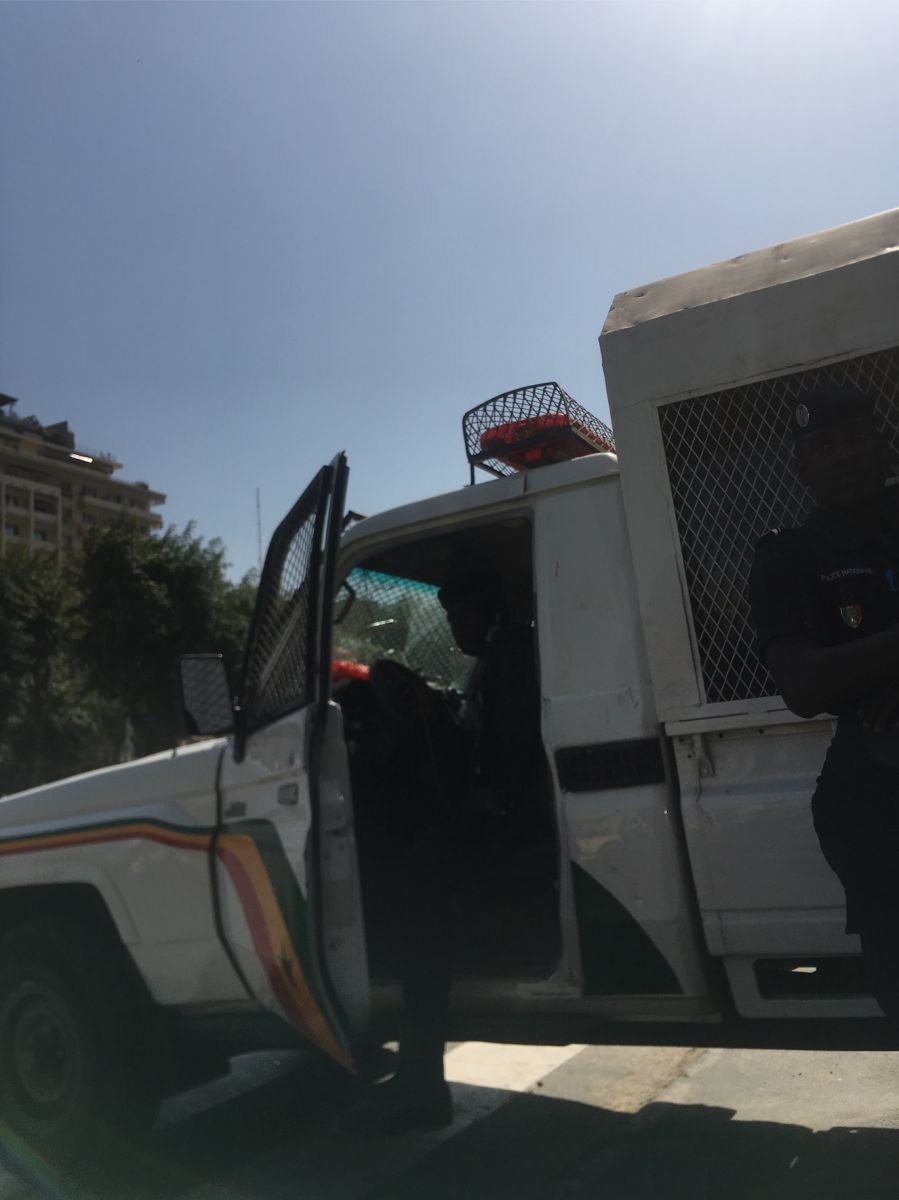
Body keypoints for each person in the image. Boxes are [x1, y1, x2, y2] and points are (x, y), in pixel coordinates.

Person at [344, 570, 546, 1135]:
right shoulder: (498, 656)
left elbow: (509, 746)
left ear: (492, 611)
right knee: (423, 852)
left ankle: (422, 1086)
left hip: (513, 818)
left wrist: (488, 797)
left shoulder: (508, 653)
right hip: (510, 808)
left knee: (418, 893)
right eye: (451, 618)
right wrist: (441, 715)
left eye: (464, 616)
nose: (457, 629)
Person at [748, 385, 899, 1020]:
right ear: (802, 468)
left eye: (853, 438)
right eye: (821, 447)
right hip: (877, 790)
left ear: (881, 443)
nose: (842, 457)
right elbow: (804, 687)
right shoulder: (786, 556)